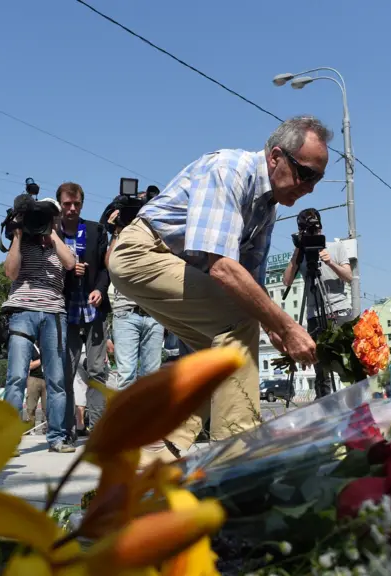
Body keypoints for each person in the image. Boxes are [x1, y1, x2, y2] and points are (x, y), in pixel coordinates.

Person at [108, 116, 332, 458]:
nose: (310, 187)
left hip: (170, 261)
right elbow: (223, 269)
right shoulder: (230, 170)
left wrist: (273, 327)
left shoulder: (266, 207)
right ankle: (237, 458)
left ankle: (167, 448)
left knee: (221, 351)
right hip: (142, 251)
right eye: (306, 174)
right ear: (276, 157)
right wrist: (285, 326)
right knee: (239, 323)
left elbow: (249, 279)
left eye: (318, 179)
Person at [2, 198, 76, 454]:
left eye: (50, 216)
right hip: (22, 310)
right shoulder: (22, 243)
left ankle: (56, 438)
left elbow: (70, 264)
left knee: (56, 379)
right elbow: (10, 273)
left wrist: (52, 233)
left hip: (54, 312)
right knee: (15, 377)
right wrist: (18, 236)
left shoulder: (59, 243)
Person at [58, 182, 110, 442]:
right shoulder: (51, 232)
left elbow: (105, 267)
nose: (72, 209)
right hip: (65, 311)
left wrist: (101, 289)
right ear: (60, 204)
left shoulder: (95, 230)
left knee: (98, 371)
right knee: (66, 370)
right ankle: (66, 430)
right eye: (67, 204)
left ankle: (99, 429)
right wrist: (68, 270)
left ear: (82, 204)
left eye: (76, 204)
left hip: (94, 311)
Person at [282, 208, 352, 398]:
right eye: (308, 230)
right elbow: (286, 281)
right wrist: (299, 248)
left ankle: (355, 403)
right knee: (321, 368)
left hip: (340, 311)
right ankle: (324, 403)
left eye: (315, 228)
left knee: (346, 362)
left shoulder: (336, 247)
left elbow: (349, 277)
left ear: (321, 227)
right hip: (314, 315)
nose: (314, 233)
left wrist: (330, 263)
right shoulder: (301, 254)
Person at [106, 209, 164, 390]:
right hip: (126, 312)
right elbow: (110, 263)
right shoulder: (122, 236)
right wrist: (117, 230)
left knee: (152, 378)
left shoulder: (156, 234)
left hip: (154, 312)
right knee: (126, 376)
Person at [26, 342, 47, 433]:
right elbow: (28, 365)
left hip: (47, 379)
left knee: (47, 407)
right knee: (30, 406)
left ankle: (47, 428)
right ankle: (30, 428)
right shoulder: (30, 347)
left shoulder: (47, 345)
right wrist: (42, 360)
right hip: (34, 379)